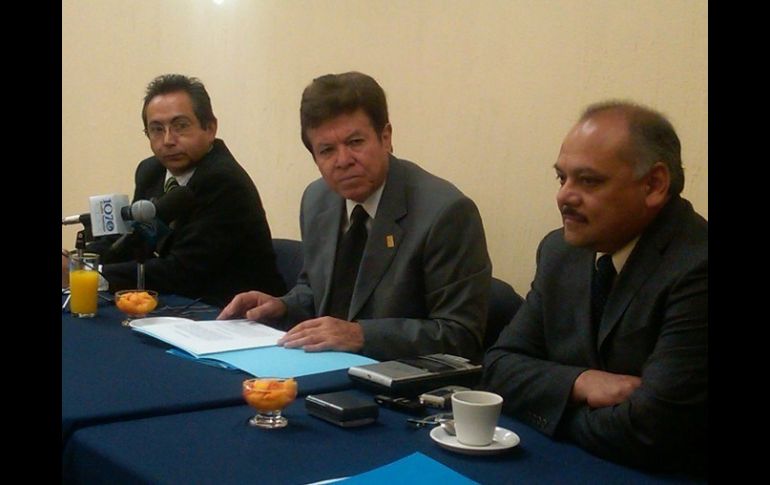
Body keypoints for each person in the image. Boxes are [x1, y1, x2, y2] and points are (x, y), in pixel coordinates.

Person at [481, 101, 707, 474]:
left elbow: (655, 430)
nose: (564, 196)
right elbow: (500, 367)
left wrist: (548, 409)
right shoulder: (560, 251)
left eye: (589, 181)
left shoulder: (697, 267)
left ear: (653, 184)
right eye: (561, 178)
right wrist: (579, 383)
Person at [219, 72, 492, 361]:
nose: (343, 160)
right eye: (326, 150)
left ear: (385, 138)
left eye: (355, 142)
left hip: (402, 381)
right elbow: (316, 289)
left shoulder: (445, 213)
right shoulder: (317, 199)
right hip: (325, 367)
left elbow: (460, 335)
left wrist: (360, 335)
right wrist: (283, 307)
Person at [62, 74, 286, 307]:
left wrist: (91, 274)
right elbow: (134, 241)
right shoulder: (151, 170)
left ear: (210, 128)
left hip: (233, 315)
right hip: (178, 307)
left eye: (180, 126)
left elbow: (183, 270)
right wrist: (78, 261)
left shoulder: (223, 181)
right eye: (157, 129)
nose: (168, 140)